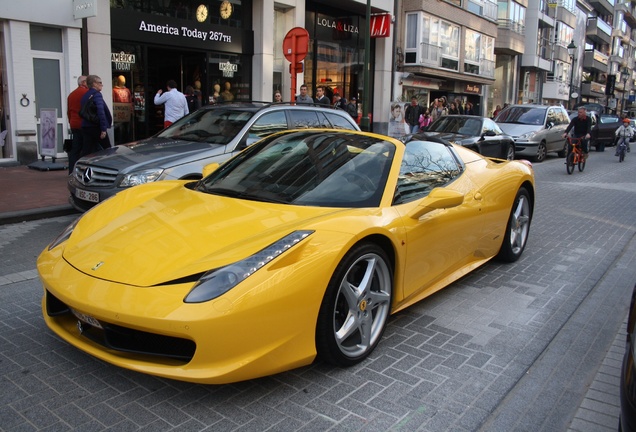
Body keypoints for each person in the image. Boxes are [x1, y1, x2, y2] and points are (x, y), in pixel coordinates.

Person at [80, 74, 112, 155]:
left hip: (86, 125)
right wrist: (103, 129)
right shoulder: (97, 94)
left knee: (87, 151)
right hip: (96, 126)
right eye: (100, 82)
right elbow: (101, 111)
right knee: (108, 150)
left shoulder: (85, 95)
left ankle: (84, 167)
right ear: (94, 83)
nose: (102, 84)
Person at [66, 75, 88, 173]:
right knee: (86, 149)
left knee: (75, 150)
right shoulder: (87, 93)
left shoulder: (71, 95)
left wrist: (71, 121)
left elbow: (69, 111)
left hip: (74, 123)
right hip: (83, 124)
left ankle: (71, 171)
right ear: (83, 83)